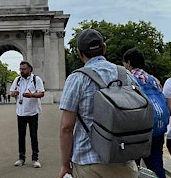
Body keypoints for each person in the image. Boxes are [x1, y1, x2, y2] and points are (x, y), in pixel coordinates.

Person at [59, 28, 138, 178]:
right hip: (123, 157)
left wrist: (64, 164)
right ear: (104, 48)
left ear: (79, 53)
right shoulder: (126, 74)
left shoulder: (77, 78)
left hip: (89, 161)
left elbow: (66, 127)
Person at [123, 48, 169, 178]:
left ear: (129, 63)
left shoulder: (128, 79)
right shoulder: (154, 80)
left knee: (133, 169)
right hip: (157, 129)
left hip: (137, 131)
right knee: (156, 165)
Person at [10, 60, 45, 168]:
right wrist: (14, 94)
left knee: (33, 135)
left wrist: (32, 95)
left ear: (29, 69)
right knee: (21, 136)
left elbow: (42, 93)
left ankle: (35, 158)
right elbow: (12, 92)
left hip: (32, 111)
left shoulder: (36, 79)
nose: (21, 71)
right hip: (20, 112)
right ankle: (21, 158)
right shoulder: (17, 80)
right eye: (20, 69)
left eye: (24, 69)